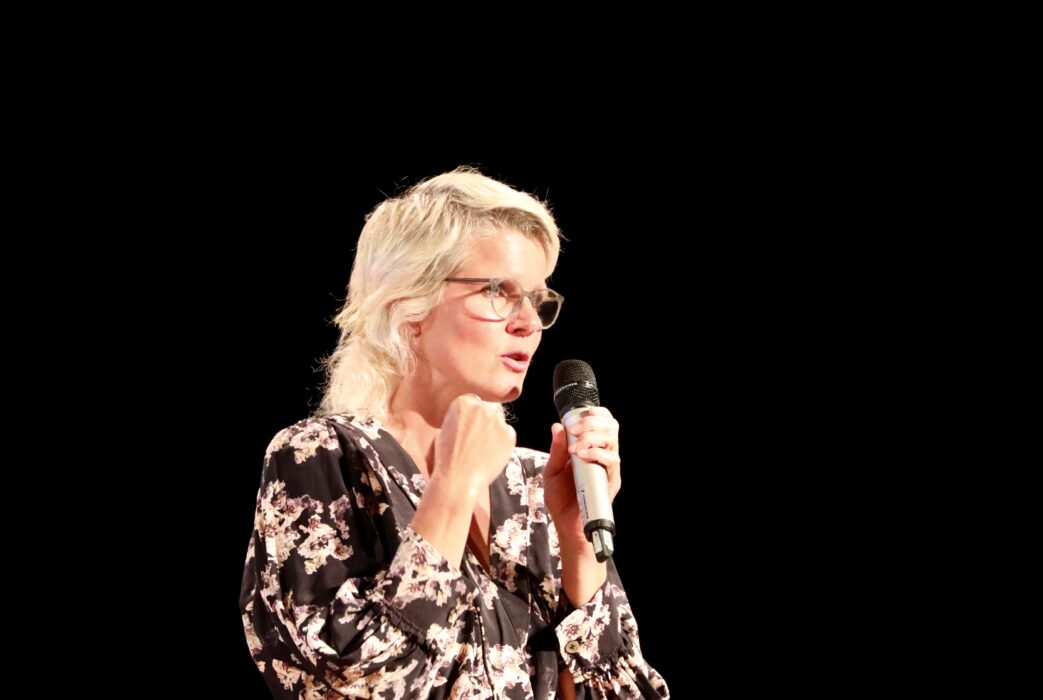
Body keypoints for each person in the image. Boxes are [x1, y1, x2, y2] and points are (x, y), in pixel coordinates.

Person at [240, 167, 670, 698]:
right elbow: (357, 676)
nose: (528, 323)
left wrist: (580, 549)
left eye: (537, 300)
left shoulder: (537, 483)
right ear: (408, 304)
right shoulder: (324, 455)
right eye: (497, 291)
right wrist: (453, 486)